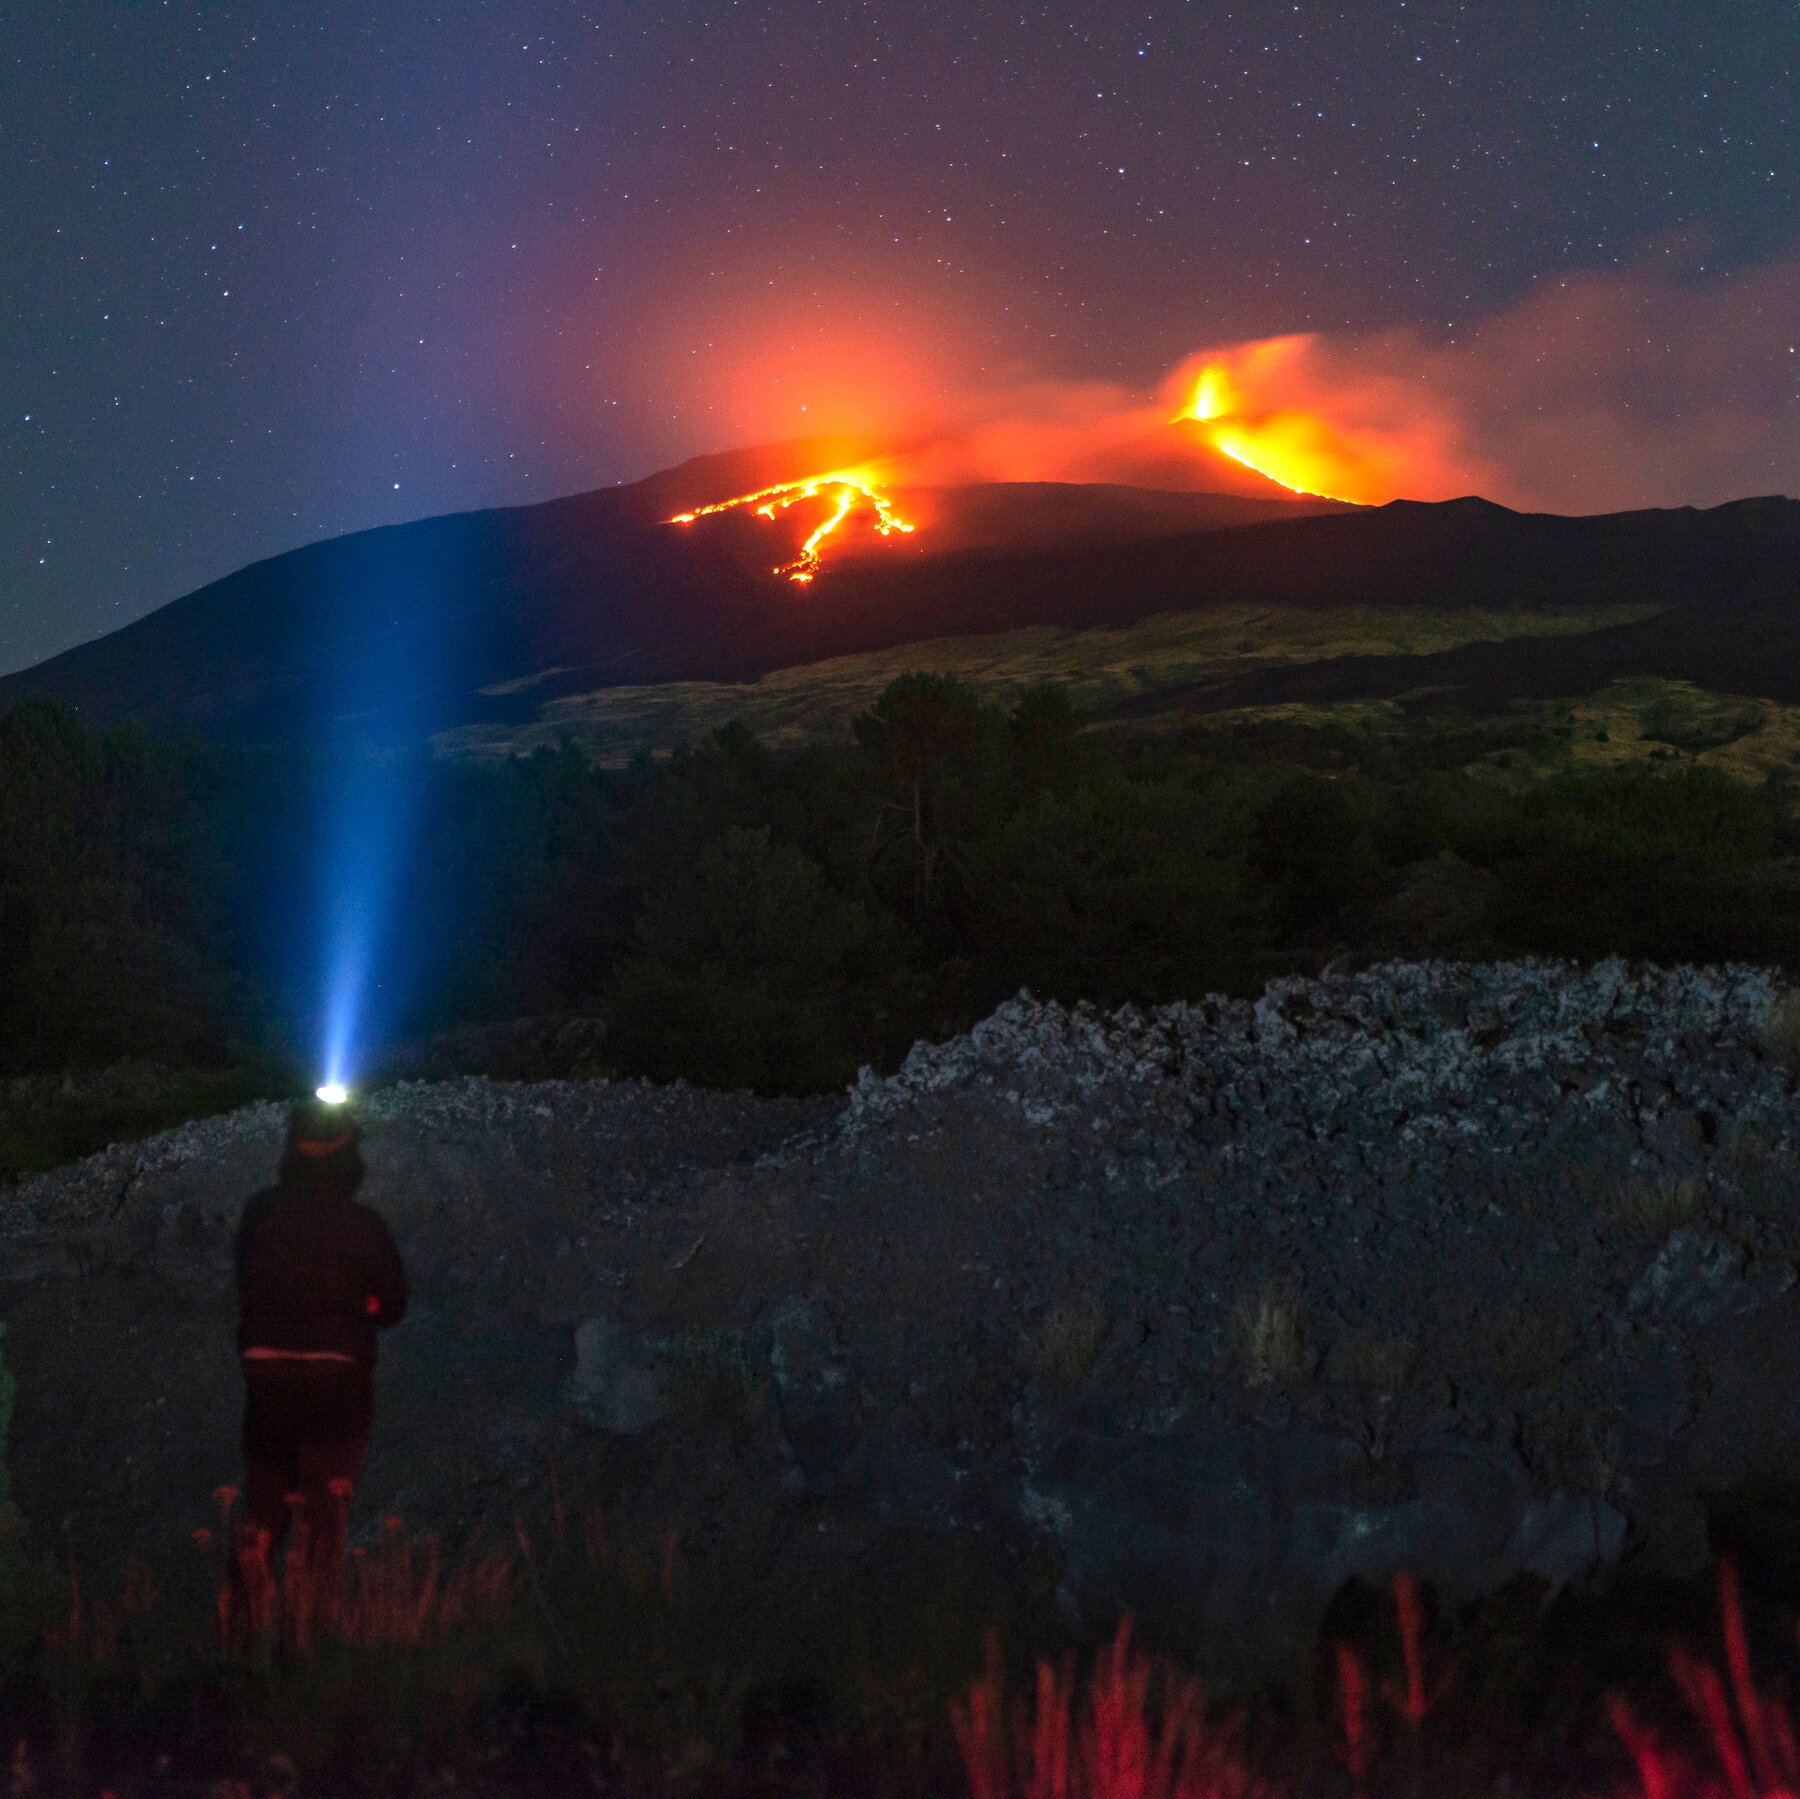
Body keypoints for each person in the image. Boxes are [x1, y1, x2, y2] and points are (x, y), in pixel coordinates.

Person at [230, 1094, 406, 1634]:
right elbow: (392, 1304)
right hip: (337, 1378)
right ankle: (307, 1642)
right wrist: (357, 1306)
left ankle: (238, 1637)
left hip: (267, 1376)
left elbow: (246, 1284)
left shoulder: (260, 1213)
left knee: (264, 1507)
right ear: (348, 1152)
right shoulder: (362, 1224)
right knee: (323, 1517)